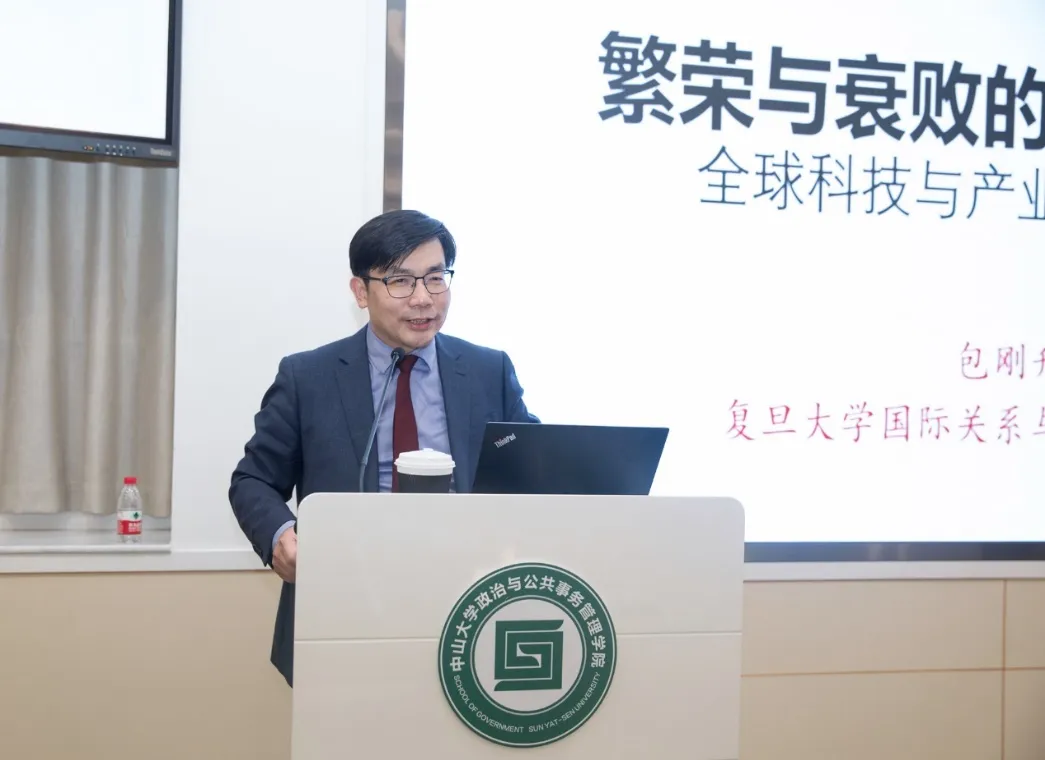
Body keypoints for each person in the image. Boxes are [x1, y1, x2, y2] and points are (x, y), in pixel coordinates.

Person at [228, 209, 539, 686]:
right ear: (360, 291)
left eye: (435, 278)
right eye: (400, 281)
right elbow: (253, 479)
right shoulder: (308, 377)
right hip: (346, 596)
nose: (423, 298)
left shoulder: (488, 371)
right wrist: (280, 535)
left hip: (468, 598)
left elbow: (533, 468)